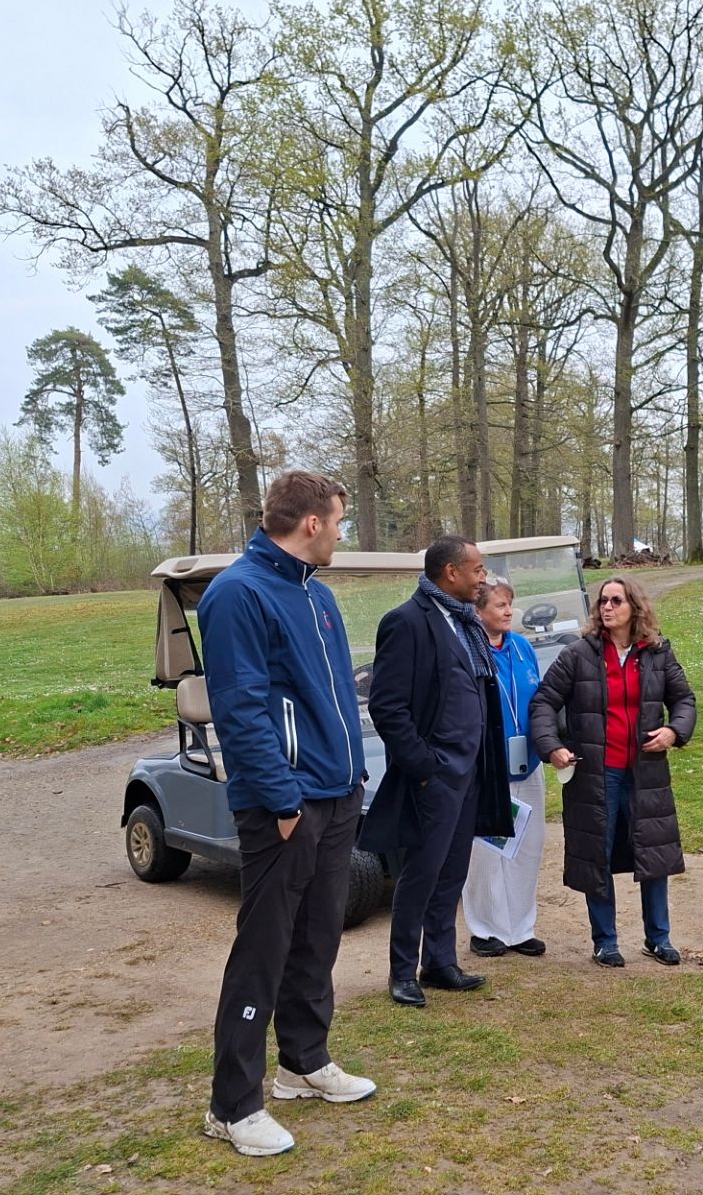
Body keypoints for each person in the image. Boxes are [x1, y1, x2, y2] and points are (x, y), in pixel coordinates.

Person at [196, 471, 376, 1158]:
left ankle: (304, 1062)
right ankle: (233, 1105)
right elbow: (240, 709)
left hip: (337, 794)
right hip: (284, 805)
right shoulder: (237, 593)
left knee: (317, 937)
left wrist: (351, 776)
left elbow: (334, 697)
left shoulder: (317, 595)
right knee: (263, 950)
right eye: (339, 521)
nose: (341, 533)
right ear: (311, 522)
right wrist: (281, 800)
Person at [362, 535, 513, 1007]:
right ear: (451, 572)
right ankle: (402, 971)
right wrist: (425, 767)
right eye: (477, 570)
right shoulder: (406, 622)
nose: (483, 578)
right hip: (436, 776)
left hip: (472, 772)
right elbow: (387, 708)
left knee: (451, 872)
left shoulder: (465, 622)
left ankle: (440, 962)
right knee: (421, 874)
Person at [529, 576, 697, 967]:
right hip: (595, 775)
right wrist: (552, 747)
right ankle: (605, 941)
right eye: (603, 601)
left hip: (646, 774)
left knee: (653, 854)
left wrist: (674, 731)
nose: (607, 607)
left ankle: (659, 938)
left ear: (634, 607)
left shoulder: (658, 653)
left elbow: (684, 700)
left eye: (616, 601)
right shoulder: (578, 654)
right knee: (596, 855)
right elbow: (544, 703)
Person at [462, 578, 548, 959]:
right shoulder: (469, 649)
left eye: (510, 603)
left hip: (527, 763)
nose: (509, 611)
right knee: (486, 851)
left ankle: (520, 928)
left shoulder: (522, 647)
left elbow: (539, 698)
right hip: (488, 767)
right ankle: (485, 929)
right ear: (478, 610)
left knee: (528, 846)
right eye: (500, 605)